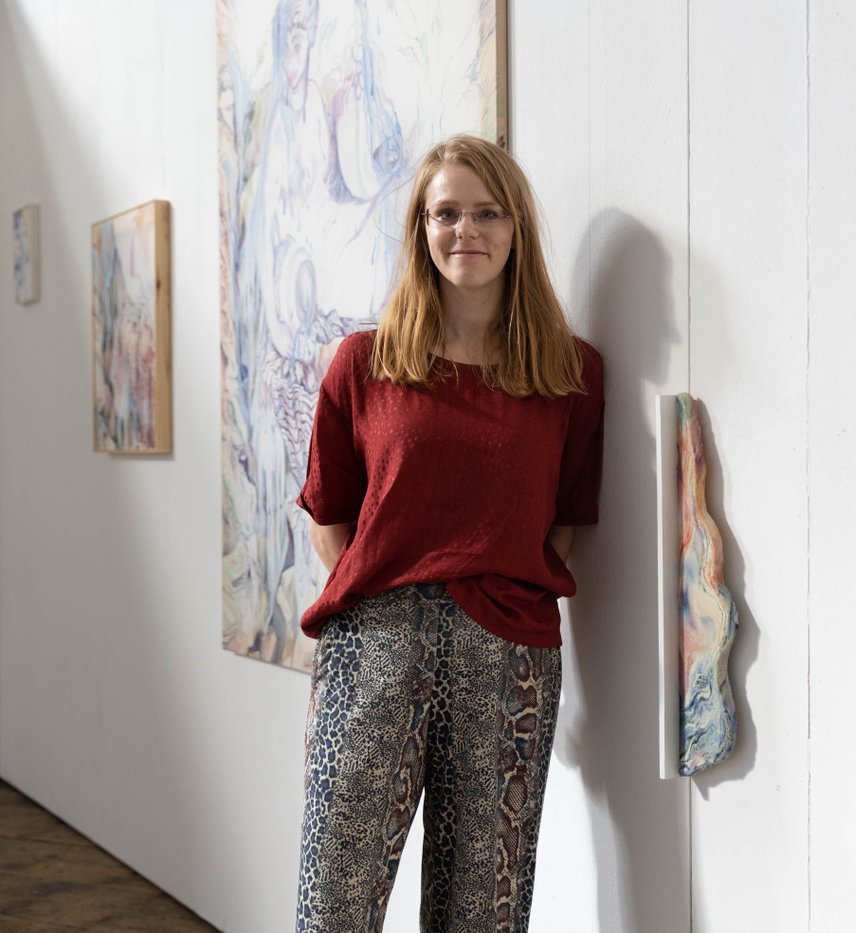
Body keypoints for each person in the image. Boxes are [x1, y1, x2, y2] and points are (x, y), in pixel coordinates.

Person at [293, 134, 605, 932]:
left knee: (484, 913)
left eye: (487, 212)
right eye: (446, 213)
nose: (466, 230)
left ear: (516, 228)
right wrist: (400, 600)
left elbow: (565, 518)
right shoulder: (362, 364)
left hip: (510, 655)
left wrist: (486, 588)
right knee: (335, 904)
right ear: (422, 230)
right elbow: (335, 519)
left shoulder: (571, 373)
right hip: (375, 648)